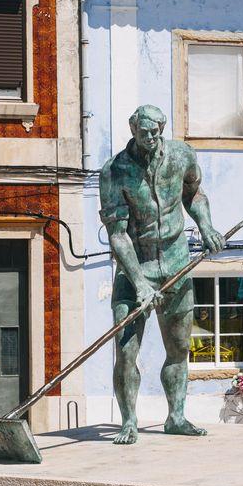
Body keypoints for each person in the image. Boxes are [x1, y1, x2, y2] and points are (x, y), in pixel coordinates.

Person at [98, 105, 225, 445]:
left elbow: (194, 194)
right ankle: (128, 421)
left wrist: (206, 226)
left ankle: (176, 417)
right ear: (132, 129)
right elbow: (118, 234)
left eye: (156, 132)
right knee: (126, 352)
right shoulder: (114, 171)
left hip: (176, 264)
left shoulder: (182, 155)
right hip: (133, 269)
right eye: (144, 133)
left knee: (179, 348)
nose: (151, 138)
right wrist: (139, 282)